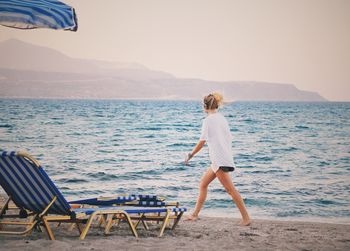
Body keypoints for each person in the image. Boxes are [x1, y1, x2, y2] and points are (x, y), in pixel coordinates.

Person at [184, 93, 251, 226]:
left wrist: (190, 155)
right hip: (220, 159)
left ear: (205, 106)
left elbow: (202, 141)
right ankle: (194, 215)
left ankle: (246, 218)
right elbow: (229, 138)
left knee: (231, 190)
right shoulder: (222, 118)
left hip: (219, 160)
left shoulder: (207, 121)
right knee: (203, 184)